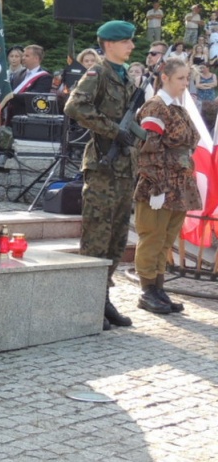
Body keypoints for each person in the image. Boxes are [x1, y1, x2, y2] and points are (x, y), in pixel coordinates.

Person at [64, 20, 138, 331]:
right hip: (102, 167)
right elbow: (75, 106)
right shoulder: (98, 74)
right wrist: (112, 131)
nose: (132, 47)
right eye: (126, 42)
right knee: (96, 237)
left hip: (124, 169)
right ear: (109, 44)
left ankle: (103, 298)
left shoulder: (127, 78)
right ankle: (85, 304)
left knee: (117, 238)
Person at [133, 58, 199, 315]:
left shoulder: (178, 107)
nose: (185, 84)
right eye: (181, 78)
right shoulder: (156, 107)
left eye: (186, 78)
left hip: (179, 184)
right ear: (165, 78)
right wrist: (157, 186)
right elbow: (148, 151)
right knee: (152, 236)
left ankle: (158, 288)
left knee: (166, 239)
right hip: (159, 184)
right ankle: (147, 290)